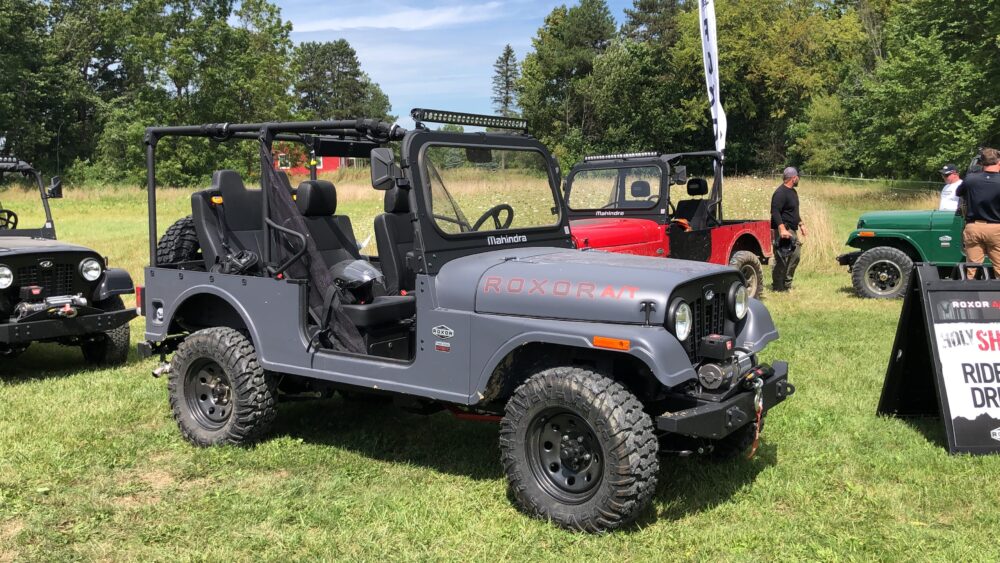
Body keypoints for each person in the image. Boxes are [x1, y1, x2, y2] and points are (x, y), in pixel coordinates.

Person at [956, 148, 1000, 279]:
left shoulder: (970, 179)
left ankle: (971, 297)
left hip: (973, 227)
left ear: (981, 163)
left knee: (971, 269)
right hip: (996, 228)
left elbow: (959, 193)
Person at [770, 167, 807, 291]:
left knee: (795, 257)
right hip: (783, 230)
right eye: (798, 177)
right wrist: (782, 229)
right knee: (781, 258)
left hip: (792, 229)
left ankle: (787, 284)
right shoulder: (780, 193)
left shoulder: (793, 192)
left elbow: (793, 212)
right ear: (793, 178)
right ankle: (777, 286)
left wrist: (801, 224)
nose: (799, 179)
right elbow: (775, 212)